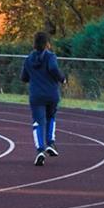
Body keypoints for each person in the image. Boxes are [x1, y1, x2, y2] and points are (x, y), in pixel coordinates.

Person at [21, 31, 67, 167]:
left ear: (34, 44)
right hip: (51, 93)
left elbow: (23, 78)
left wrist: (33, 76)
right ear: (47, 44)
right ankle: (50, 142)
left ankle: (40, 150)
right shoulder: (50, 56)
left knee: (37, 122)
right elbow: (53, 68)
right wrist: (62, 78)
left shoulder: (28, 59)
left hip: (36, 95)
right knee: (51, 117)